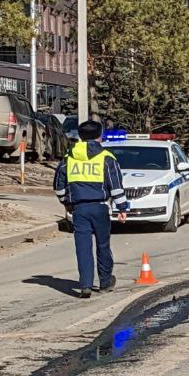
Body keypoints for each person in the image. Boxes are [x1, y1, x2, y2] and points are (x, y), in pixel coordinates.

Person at [53, 119, 128, 298]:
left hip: (79, 209)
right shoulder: (107, 158)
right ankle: (105, 281)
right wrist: (122, 207)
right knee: (103, 245)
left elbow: (58, 186)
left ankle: (85, 285)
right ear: (99, 136)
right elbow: (116, 186)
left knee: (83, 247)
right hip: (100, 208)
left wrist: (66, 202)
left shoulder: (68, 158)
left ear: (80, 136)